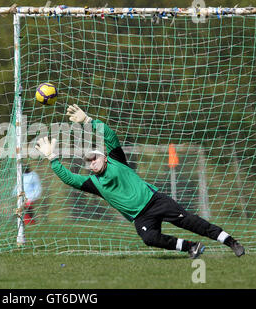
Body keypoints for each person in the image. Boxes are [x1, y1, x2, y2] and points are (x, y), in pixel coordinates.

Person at [35, 104, 245, 258]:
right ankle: (191, 247)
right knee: (149, 239)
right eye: (88, 161)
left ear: (104, 157)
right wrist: (52, 158)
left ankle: (230, 241)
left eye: (94, 157)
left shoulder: (117, 160)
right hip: (140, 216)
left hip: (155, 201)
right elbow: (69, 178)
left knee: (189, 221)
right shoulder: (94, 183)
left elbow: (109, 136)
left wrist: (89, 121)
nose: (91, 162)